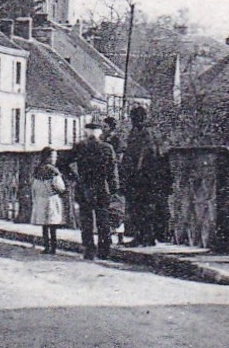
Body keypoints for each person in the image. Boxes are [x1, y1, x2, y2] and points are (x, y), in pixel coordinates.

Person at [67, 118, 118, 260]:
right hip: (102, 187)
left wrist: (74, 177)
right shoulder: (107, 148)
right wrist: (114, 188)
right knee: (103, 219)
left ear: (86, 132)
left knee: (86, 220)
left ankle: (89, 249)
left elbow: (62, 163)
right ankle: (104, 250)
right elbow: (112, 171)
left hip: (84, 187)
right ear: (100, 133)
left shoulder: (79, 147)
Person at [121, 105, 165, 247]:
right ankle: (143, 237)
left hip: (143, 178)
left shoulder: (145, 133)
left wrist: (135, 173)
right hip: (141, 177)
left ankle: (145, 237)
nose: (133, 120)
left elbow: (145, 155)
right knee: (140, 208)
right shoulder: (139, 132)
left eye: (134, 118)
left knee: (142, 208)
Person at [28, 147, 68, 254]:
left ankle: (46, 246)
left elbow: (34, 186)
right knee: (52, 225)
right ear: (48, 157)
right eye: (53, 156)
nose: (55, 158)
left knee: (45, 225)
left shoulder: (38, 169)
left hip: (40, 199)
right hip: (51, 199)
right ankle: (53, 247)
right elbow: (60, 186)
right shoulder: (53, 171)